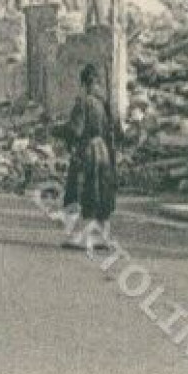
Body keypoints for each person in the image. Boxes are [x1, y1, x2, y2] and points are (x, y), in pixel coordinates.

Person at [62, 62, 118, 251]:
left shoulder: (84, 102)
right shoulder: (106, 103)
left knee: (81, 191)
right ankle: (103, 237)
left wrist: (58, 132)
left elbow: (75, 130)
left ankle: (83, 238)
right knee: (102, 193)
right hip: (104, 151)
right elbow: (116, 131)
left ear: (83, 83)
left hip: (87, 150)